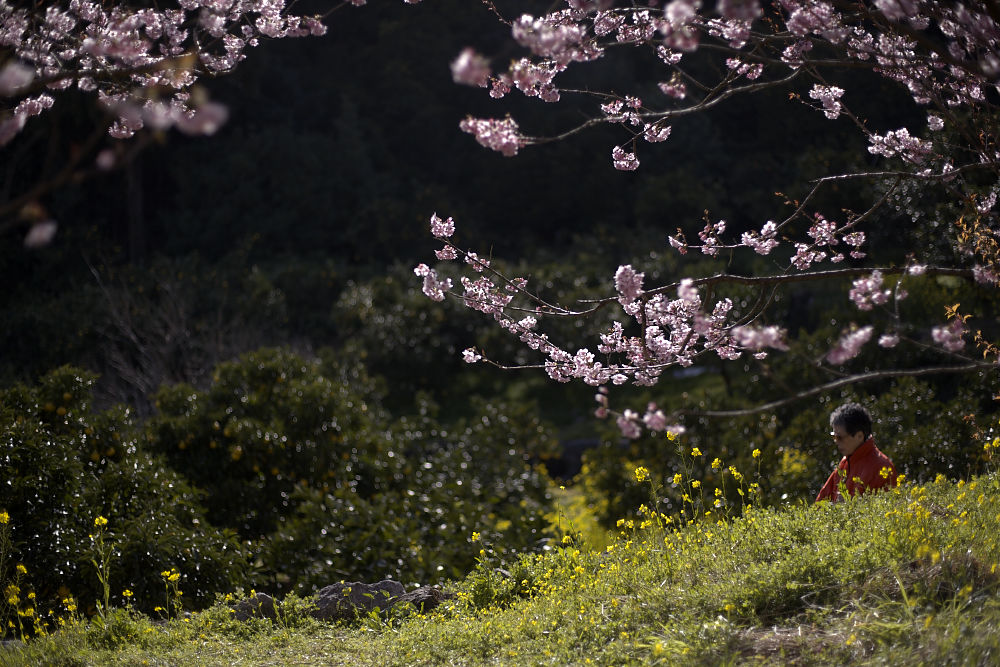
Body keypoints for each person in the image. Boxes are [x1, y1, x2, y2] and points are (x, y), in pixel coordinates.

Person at [815, 402, 898, 502]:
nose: (836, 442)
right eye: (834, 436)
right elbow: (819, 506)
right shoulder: (845, 463)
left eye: (839, 437)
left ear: (859, 436)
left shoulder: (882, 468)